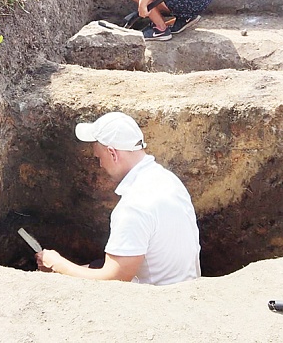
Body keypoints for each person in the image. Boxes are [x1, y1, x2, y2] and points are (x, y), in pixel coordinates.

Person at [35, 112, 201, 286]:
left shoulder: (133, 207)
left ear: (113, 154)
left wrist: (57, 264)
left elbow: (114, 280)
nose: (100, 165)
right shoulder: (169, 180)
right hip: (185, 289)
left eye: (99, 158)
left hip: (158, 302)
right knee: (97, 265)